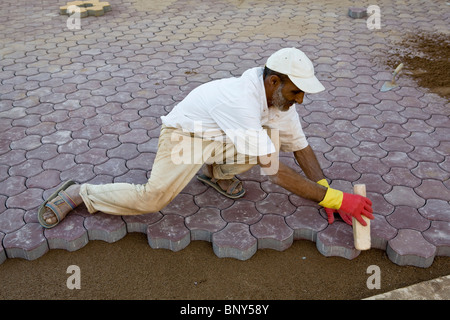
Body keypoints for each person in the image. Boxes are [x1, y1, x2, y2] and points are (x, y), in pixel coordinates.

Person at [39, 47, 373, 229]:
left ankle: (214, 173)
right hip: (185, 138)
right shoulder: (241, 99)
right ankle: (82, 194)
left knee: (269, 142)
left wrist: (326, 188)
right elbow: (275, 171)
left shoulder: (279, 99)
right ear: (273, 81)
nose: (300, 100)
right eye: (296, 92)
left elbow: (299, 146)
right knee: (153, 199)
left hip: (221, 136)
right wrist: (337, 200)